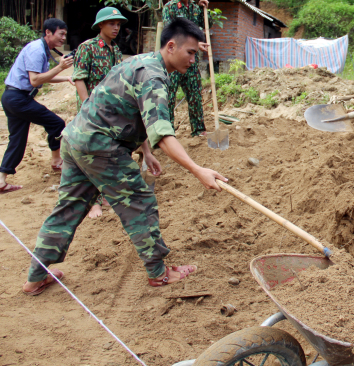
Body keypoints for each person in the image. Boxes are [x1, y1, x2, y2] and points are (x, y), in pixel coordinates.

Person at [22, 18, 228, 296]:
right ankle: (158, 273)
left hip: (76, 138)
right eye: (191, 52)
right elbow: (164, 135)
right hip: (100, 146)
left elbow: (126, 109)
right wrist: (197, 169)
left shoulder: (140, 62)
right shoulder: (154, 76)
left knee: (67, 209)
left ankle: (36, 277)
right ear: (171, 46)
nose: (194, 59)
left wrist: (145, 151)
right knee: (139, 203)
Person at [0, 19, 74, 194]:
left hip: (12, 97)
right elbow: (35, 80)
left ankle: (1, 180)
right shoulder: (36, 50)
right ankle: (56, 161)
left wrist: (64, 78)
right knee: (56, 123)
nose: (64, 38)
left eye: (65, 34)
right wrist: (61, 68)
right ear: (48, 32)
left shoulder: (41, 48)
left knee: (17, 140)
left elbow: (42, 77)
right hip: (18, 98)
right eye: (61, 34)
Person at [72, 7, 127, 219]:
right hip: (92, 112)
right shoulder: (87, 47)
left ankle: (106, 195)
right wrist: (86, 107)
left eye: (118, 24)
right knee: (91, 155)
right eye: (112, 23)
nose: (116, 27)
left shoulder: (116, 51)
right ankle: (93, 203)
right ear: (100, 25)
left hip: (111, 112)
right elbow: (79, 78)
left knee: (110, 154)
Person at [162, 0, 210, 137]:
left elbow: (202, 28)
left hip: (191, 61)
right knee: (168, 96)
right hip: (174, 62)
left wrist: (205, 9)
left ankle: (198, 130)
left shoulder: (196, 9)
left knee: (195, 94)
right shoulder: (170, 8)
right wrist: (196, 44)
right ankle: (167, 133)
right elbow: (172, 34)